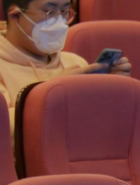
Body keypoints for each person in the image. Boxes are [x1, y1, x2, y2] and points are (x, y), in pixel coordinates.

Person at [0, 0, 131, 126]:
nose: (59, 21)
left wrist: (112, 95)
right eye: (49, 11)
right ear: (15, 15)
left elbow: (94, 125)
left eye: (64, 11)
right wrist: (52, 93)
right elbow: (4, 128)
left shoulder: (75, 62)